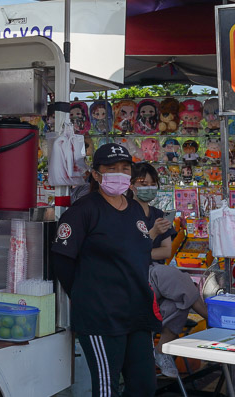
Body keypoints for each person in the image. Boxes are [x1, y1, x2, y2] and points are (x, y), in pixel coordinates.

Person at [51, 143, 161, 397]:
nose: (120, 174)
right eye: (112, 168)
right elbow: (63, 262)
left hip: (137, 313)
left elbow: (139, 253)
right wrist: (85, 295)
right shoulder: (83, 211)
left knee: (144, 386)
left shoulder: (134, 209)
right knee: (106, 389)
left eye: (125, 168)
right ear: (96, 174)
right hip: (101, 317)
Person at [130, 162, 208, 379]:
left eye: (152, 184)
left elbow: (165, 253)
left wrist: (145, 249)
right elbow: (129, 253)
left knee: (178, 302)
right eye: (142, 183)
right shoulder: (125, 211)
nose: (148, 187)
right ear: (131, 185)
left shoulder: (158, 213)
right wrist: (151, 235)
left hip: (155, 273)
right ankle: (211, 319)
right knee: (177, 277)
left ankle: (161, 351)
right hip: (136, 273)